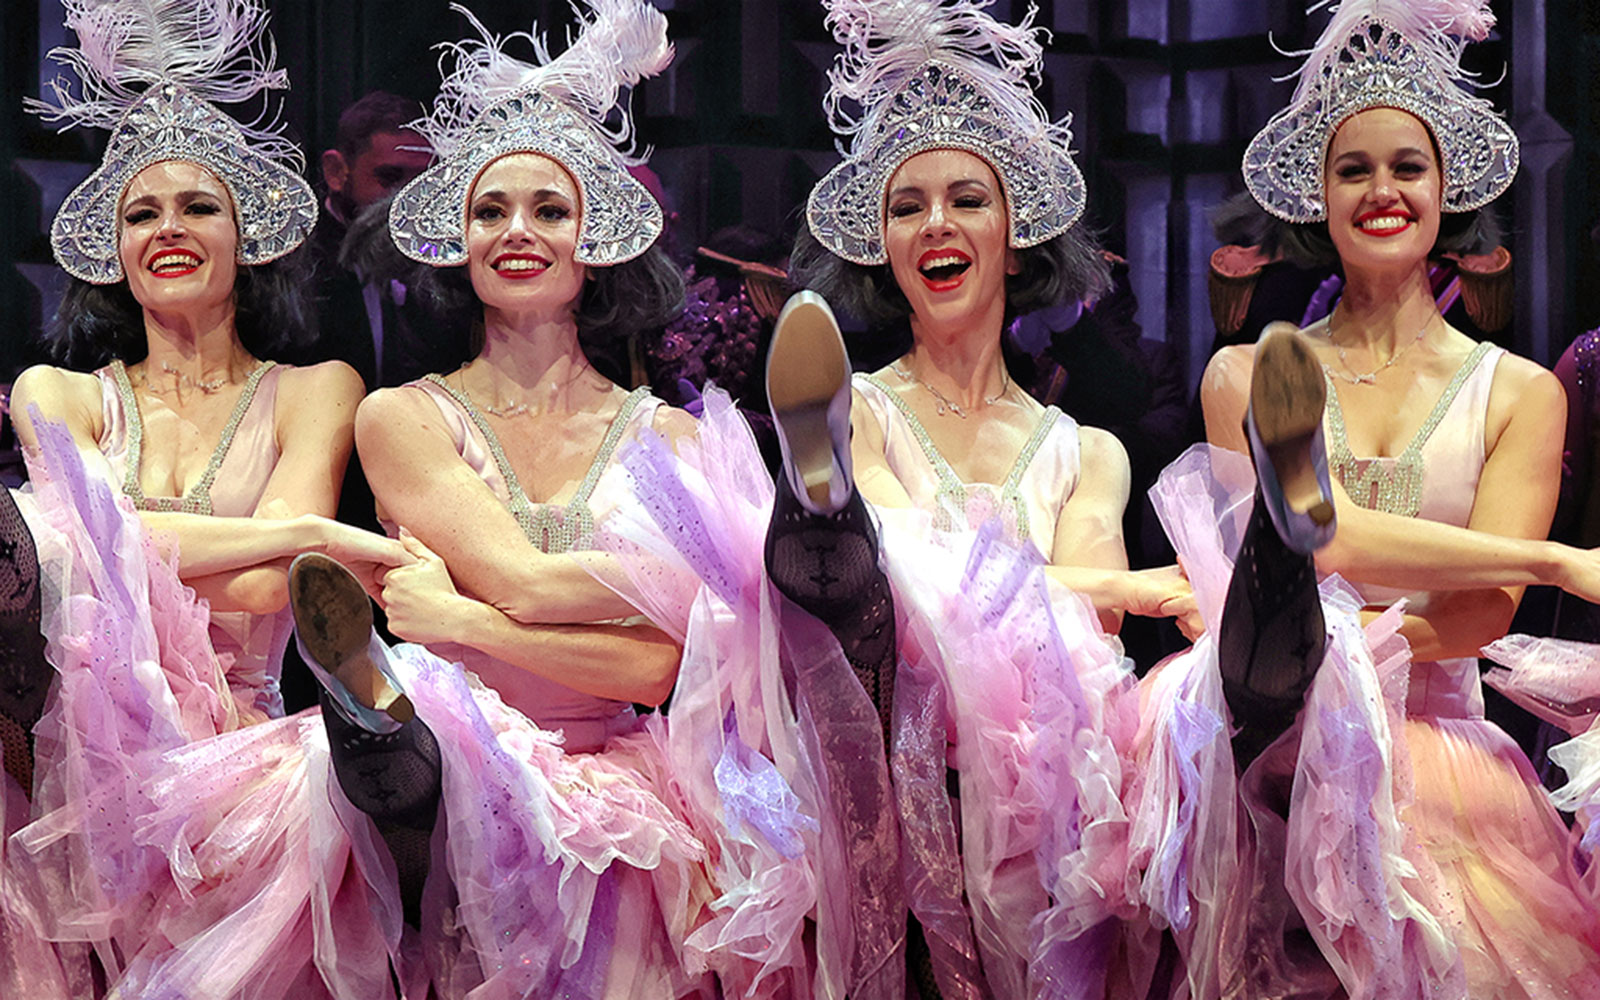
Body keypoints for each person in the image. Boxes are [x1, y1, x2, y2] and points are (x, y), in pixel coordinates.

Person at [0, 0, 407, 994]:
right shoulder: (58, 395)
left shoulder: (321, 389)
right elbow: (71, 549)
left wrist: (291, 541)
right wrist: (305, 530)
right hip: (77, 783)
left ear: (246, 233)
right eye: (142, 213)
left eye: (198, 207)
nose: (169, 230)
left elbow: (275, 589)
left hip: (254, 782)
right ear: (114, 250)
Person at [1200, 1, 1600, 994]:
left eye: (1406, 166)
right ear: (1319, 196)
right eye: (1353, 168)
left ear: (1444, 186)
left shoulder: (1519, 393)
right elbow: (1306, 540)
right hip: (1270, 760)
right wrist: (1549, 558)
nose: (1382, 190)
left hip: (1443, 773)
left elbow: (1478, 615)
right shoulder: (1241, 378)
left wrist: (1353, 660)